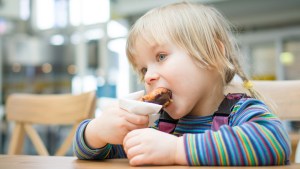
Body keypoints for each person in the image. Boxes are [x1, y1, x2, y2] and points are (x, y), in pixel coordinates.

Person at [73, 2, 291, 166]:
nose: (148, 76)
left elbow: (274, 142)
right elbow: (95, 153)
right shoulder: (160, 126)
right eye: (143, 69)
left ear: (212, 54)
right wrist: (97, 132)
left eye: (160, 57)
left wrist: (176, 149)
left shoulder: (240, 113)